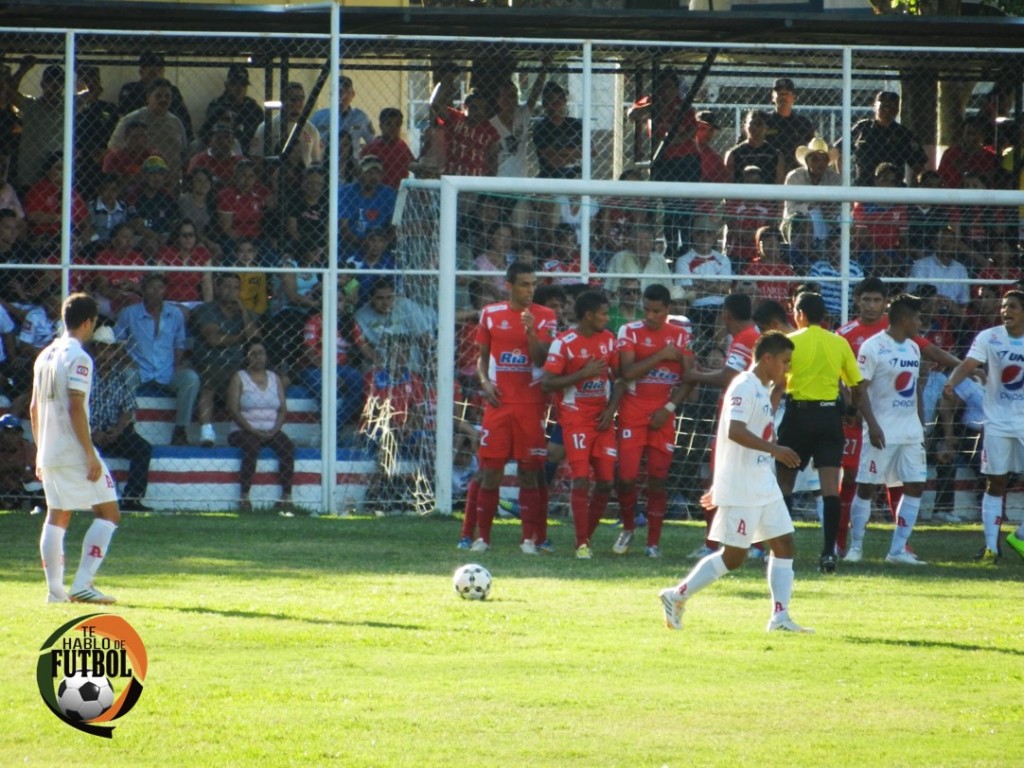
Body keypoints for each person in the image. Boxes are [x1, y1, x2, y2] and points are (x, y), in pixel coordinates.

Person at [658, 331, 812, 634]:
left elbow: (761, 429)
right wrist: (775, 450)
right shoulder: (742, 385)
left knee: (784, 542)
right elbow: (735, 432)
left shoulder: (762, 389)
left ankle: (780, 617)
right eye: (784, 361)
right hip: (743, 486)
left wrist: (777, 398)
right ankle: (676, 595)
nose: (787, 368)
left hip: (762, 482)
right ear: (767, 358)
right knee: (734, 556)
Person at [31, 292, 121, 605]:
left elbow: (33, 408)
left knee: (57, 515)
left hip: (50, 450)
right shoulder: (79, 357)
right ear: (88, 322)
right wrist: (89, 453)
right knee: (109, 512)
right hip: (73, 450)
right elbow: (75, 406)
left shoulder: (45, 355)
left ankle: (55, 591)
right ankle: (82, 583)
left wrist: (39, 451)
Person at [464, 261, 557, 553]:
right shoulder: (491, 314)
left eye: (533, 284)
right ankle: (482, 538)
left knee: (530, 472)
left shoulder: (546, 316)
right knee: (490, 472)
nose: (530, 290)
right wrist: (484, 382)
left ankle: (528, 539)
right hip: (498, 404)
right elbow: (482, 357)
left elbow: (542, 360)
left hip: (530, 405)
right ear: (509, 286)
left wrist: (530, 333)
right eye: (524, 284)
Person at [776, 291, 864, 574]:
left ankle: (782, 549)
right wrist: (852, 411)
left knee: (784, 484)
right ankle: (828, 552)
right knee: (830, 488)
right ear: (824, 316)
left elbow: (778, 381)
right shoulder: (839, 342)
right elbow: (857, 384)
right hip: (829, 417)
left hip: (798, 416)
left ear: (799, 313)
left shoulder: (789, 341)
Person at [845, 294, 929, 565]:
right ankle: (855, 547)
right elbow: (859, 389)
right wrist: (871, 424)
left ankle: (897, 551)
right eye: (917, 318)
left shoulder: (914, 348)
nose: (920, 323)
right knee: (867, 487)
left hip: (910, 433)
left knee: (915, 485)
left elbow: (915, 388)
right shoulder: (873, 347)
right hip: (881, 431)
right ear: (905, 319)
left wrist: (921, 423)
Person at [943, 290, 1024, 564]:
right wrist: (952, 383)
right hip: (998, 422)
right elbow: (968, 364)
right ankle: (992, 548)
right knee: (996, 481)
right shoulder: (989, 337)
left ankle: (1020, 536)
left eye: (1012, 307)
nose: (1006, 311)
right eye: (1004, 306)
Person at [615, 282, 695, 558]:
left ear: (668, 310)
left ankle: (653, 543)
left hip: (663, 414)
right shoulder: (629, 331)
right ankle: (628, 526)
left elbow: (689, 379)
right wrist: (660, 355)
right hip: (632, 413)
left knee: (658, 479)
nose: (650, 316)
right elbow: (626, 373)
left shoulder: (681, 336)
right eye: (646, 310)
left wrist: (669, 407)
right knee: (626, 478)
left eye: (656, 311)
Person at [541, 290, 621, 559]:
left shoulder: (609, 339)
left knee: (607, 482)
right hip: (575, 418)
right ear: (588, 316)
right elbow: (547, 382)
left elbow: (620, 379)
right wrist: (582, 374)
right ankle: (581, 543)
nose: (607, 318)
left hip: (602, 419)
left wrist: (611, 410)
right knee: (580, 479)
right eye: (603, 313)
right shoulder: (564, 343)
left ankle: (586, 536)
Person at [682, 291, 761, 558]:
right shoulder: (756, 335)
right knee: (749, 481)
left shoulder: (743, 339)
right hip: (754, 418)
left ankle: (712, 545)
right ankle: (753, 546)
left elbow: (730, 377)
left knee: (720, 480)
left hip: (738, 421)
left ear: (725, 315)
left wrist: (695, 374)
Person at [115, 272, 201, 447]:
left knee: (191, 379)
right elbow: (117, 341)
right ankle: (128, 427)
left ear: (165, 290)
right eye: (151, 287)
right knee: (126, 375)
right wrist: (126, 359)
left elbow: (179, 342)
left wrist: (178, 364)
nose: (156, 291)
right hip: (139, 368)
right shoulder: (129, 313)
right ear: (143, 289)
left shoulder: (175, 314)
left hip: (166, 369)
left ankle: (180, 429)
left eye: (160, 287)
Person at [87, 326, 153, 512]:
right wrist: (91, 431)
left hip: (112, 432)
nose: (107, 354)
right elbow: (74, 409)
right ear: (95, 350)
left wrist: (117, 429)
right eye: (102, 348)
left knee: (143, 448)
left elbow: (128, 408)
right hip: (87, 433)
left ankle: (132, 498)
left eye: (110, 349)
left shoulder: (120, 376)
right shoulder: (84, 375)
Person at [226, 339, 295, 513]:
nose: (258, 357)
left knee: (287, 447)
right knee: (252, 447)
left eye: (261, 353)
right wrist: (252, 430)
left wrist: (274, 430)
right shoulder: (239, 377)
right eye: (253, 353)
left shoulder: (275, 378)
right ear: (246, 357)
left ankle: (287, 496)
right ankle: (244, 496)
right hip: (243, 430)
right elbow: (233, 410)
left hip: (271, 430)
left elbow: (282, 409)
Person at [193, 274, 261, 447]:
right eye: (227, 286)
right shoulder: (206, 309)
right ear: (217, 288)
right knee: (210, 381)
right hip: (210, 361)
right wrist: (241, 337)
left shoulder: (247, 313)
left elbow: (255, 339)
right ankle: (207, 430)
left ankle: (244, 429)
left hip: (238, 364)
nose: (231, 291)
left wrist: (244, 313)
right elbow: (213, 340)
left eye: (235, 288)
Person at [837, 90, 927, 187]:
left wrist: (913, 188)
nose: (888, 111)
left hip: (894, 188)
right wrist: (845, 182)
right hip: (863, 186)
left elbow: (919, 165)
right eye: (884, 106)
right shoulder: (863, 128)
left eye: (893, 107)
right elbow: (839, 152)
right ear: (875, 106)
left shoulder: (904, 134)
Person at [109, 78, 188, 182]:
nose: (163, 100)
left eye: (167, 96)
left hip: (171, 181)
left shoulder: (176, 122)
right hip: (139, 181)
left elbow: (183, 152)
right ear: (148, 97)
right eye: (158, 96)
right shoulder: (132, 118)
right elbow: (113, 147)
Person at [117, 52, 192, 142]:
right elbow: (126, 115)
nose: (157, 75)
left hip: (166, 131)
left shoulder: (172, 90)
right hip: (138, 135)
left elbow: (183, 116)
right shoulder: (131, 89)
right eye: (152, 73)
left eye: (160, 71)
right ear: (141, 72)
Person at [249, 82, 322, 169]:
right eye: (293, 99)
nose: (297, 103)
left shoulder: (311, 129)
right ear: (283, 100)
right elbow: (256, 157)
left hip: (302, 179)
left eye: (301, 99)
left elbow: (316, 161)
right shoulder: (267, 126)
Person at [338, 155, 397, 259]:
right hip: (352, 244)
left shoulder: (389, 193)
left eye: (377, 173)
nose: (373, 177)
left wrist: (384, 243)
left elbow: (395, 225)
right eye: (369, 173)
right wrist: (363, 244)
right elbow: (343, 227)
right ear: (359, 174)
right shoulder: (345, 192)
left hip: (380, 244)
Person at [783, 136, 841, 243]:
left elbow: (843, 207)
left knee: (846, 219)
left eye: (824, 159)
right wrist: (810, 207)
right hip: (799, 223)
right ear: (807, 161)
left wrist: (831, 208)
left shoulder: (834, 178)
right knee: (815, 213)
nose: (820, 163)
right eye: (815, 159)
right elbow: (790, 209)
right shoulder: (794, 177)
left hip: (828, 219)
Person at [202, 65, 263, 150]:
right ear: (227, 85)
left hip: (251, 153)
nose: (239, 89)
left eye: (243, 84)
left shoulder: (253, 108)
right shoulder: (217, 106)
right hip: (223, 152)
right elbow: (207, 134)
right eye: (235, 84)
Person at [763, 77, 817, 174]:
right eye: (780, 94)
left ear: (793, 98)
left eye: (787, 94)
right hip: (767, 172)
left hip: (797, 174)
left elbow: (816, 147)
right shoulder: (763, 121)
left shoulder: (803, 123)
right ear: (773, 97)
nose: (783, 97)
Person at [533, 82, 584, 180]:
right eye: (551, 100)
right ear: (545, 104)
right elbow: (553, 160)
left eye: (559, 99)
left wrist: (559, 150)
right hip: (550, 179)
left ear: (565, 101)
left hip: (575, 178)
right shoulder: (542, 128)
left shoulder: (576, 124)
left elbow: (592, 151)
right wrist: (575, 152)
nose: (556, 104)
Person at [724, 110, 785, 185]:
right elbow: (728, 185)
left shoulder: (776, 155)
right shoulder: (733, 154)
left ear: (766, 127)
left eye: (759, 124)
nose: (755, 127)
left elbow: (779, 185)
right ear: (745, 126)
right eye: (752, 124)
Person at [360, 108, 415, 190]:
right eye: (389, 124)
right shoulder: (371, 149)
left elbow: (411, 164)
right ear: (381, 126)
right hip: (379, 194)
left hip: (400, 193)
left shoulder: (402, 145)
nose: (393, 128)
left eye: (397, 125)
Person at [0, 413, 44, 513]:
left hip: (24, 486)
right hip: (3, 487)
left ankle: (39, 508)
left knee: (40, 490)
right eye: (8, 432)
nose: (13, 436)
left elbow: (32, 474)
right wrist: (13, 467)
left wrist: (23, 472)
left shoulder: (28, 447)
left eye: (16, 432)